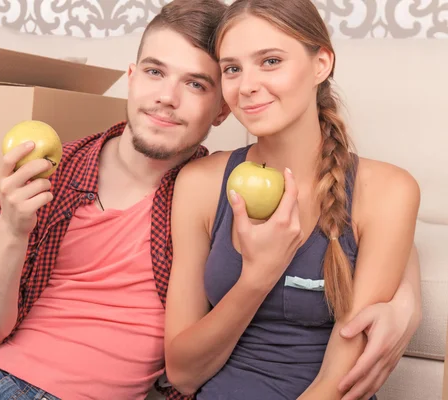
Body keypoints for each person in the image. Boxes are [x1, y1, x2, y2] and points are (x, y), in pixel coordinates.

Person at [0, 1, 419, 400]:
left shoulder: (201, 186)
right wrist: (14, 229)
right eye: (154, 72)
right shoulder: (54, 168)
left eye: (196, 83)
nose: (166, 99)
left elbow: (356, 215)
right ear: (131, 76)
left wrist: (404, 294)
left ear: (219, 108)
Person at [163, 1, 422, 400]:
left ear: (321, 64)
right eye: (232, 68)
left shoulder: (389, 190)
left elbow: (339, 381)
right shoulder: (200, 182)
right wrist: (258, 275)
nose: (246, 85)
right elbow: (182, 373)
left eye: (269, 61)